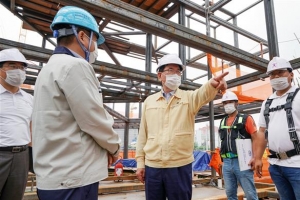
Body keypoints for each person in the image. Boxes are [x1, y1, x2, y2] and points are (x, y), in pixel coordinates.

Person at [32, 6, 121, 200]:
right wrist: (114, 147)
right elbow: (93, 119)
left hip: (54, 177)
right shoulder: (75, 66)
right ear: (81, 36)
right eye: (94, 41)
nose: (94, 48)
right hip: (74, 179)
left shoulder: (48, 69)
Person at [135, 54, 228, 200]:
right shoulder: (149, 101)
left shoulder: (188, 98)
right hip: (153, 166)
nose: (175, 74)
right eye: (170, 70)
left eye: (178, 71)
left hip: (179, 166)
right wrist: (140, 163)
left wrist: (212, 84)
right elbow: (143, 135)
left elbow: (202, 94)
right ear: (160, 75)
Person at [255, 57, 300, 200]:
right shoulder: (267, 103)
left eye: (280, 72)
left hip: (297, 165)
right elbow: (261, 132)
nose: (276, 76)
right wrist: (257, 158)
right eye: (272, 74)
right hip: (275, 165)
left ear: (291, 74)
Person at [0, 48, 33, 200]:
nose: (18, 71)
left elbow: (32, 129)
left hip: (22, 156)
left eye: (21, 67)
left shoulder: (29, 99)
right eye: (12, 66)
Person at [219, 91, 259, 200]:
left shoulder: (246, 118)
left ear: (237, 103)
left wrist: (255, 157)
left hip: (243, 161)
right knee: (230, 194)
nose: (227, 105)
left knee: (250, 193)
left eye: (230, 102)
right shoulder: (222, 121)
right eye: (225, 103)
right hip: (226, 162)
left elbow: (256, 138)